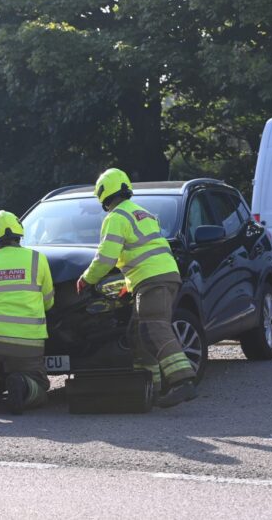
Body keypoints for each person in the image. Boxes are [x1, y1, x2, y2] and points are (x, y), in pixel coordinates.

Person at [76, 168, 198, 408]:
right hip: (161, 277)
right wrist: (129, 285)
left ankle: (182, 380)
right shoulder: (142, 213)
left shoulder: (116, 217)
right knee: (139, 332)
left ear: (102, 194)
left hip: (153, 280)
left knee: (154, 326)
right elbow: (139, 251)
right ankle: (150, 388)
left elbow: (106, 257)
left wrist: (87, 279)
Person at [0, 211, 54, 415]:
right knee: (39, 383)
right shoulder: (37, 259)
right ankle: (23, 385)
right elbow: (48, 300)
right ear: (19, 233)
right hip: (28, 343)